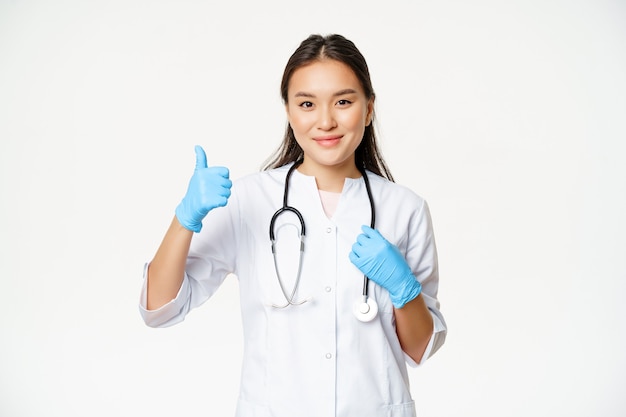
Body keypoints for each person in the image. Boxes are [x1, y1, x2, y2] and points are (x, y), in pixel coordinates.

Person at [140, 33, 446, 417]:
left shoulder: (405, 209)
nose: (326, 121)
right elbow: (159, 308)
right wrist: (184, 219)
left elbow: (419, 348)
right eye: (307, 104)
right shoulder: (250, 201)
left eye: (344, 102)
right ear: (288, 111)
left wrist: (404, 290)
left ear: (368, 109)